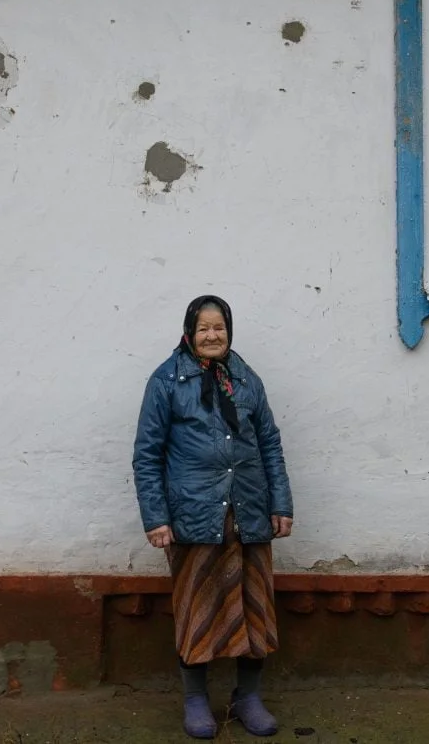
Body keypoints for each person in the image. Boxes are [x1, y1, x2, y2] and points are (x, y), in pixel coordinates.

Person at [132, 295, 294, 739]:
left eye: (219, 327)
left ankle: (248, 697)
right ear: (189, 331)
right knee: (197, 606)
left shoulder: (246, 379)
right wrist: (156, 517)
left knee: (255, 607)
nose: (212, 335)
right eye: (203, 328)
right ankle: (195, 700)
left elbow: (270, 445)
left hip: (249, 511)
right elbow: (147, 456)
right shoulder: (166, 381)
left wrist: (280, 503)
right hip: (194, 515)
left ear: (229, 330)